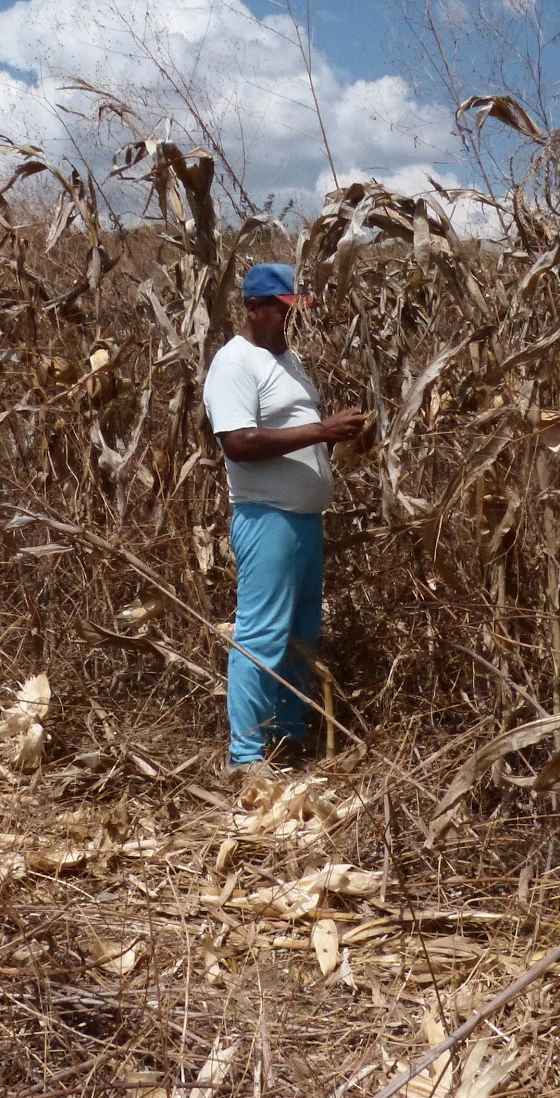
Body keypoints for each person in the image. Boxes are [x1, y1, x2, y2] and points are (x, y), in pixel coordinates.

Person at [202, 263, 366, 774]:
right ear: (254, 308)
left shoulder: (286, 360)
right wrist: (321, 432)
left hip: (303, 519)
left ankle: (288, 735)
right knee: (261, 635)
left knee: (300, 632)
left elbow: (295, 426)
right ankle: (245, 756)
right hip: (266, 518)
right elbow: (238, 442)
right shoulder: (235, 364)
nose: (292, 321)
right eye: (283, 311)